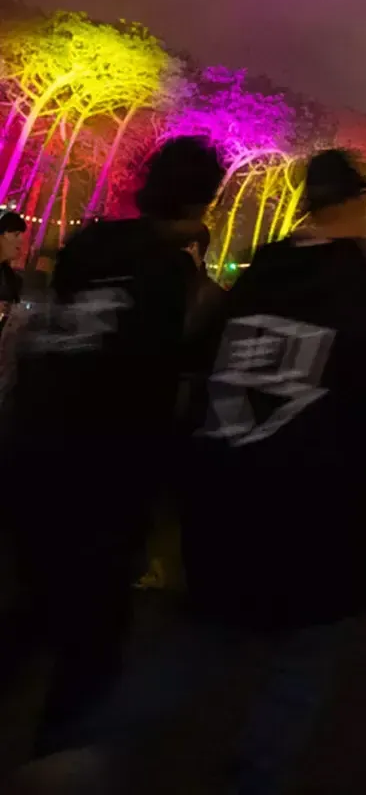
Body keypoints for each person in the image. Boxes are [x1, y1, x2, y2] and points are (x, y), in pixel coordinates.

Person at [75, 146, 366, 793]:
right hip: (319, 515)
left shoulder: (257, 280)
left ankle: (94, 747)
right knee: (300, 665)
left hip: (224, 497)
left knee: (197, 643)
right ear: (353, 205)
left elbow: (196, 368)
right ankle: (253, 781)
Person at [0, 136, 224, 759]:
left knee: (32, 606)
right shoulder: (176, 279)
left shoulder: (89, 244)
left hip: (36, 451)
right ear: (205, 202)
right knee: (92, 639)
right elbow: (184, 377)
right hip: (110, 472)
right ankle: (57, 756)